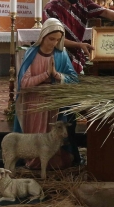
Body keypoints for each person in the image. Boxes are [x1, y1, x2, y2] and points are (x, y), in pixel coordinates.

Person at [14, 18, 80, 170]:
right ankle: (34, 162)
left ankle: (51, 161)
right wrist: (46, 74)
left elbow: (74, 79)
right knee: (37, 136)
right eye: (51, 39)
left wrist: (57, 75)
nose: (54, 43)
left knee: (51, 136)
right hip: (34, 102)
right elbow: (24, 83)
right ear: (43, 36)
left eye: (58, 39)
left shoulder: (61, 54)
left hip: (53, 103)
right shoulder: (32, 53)